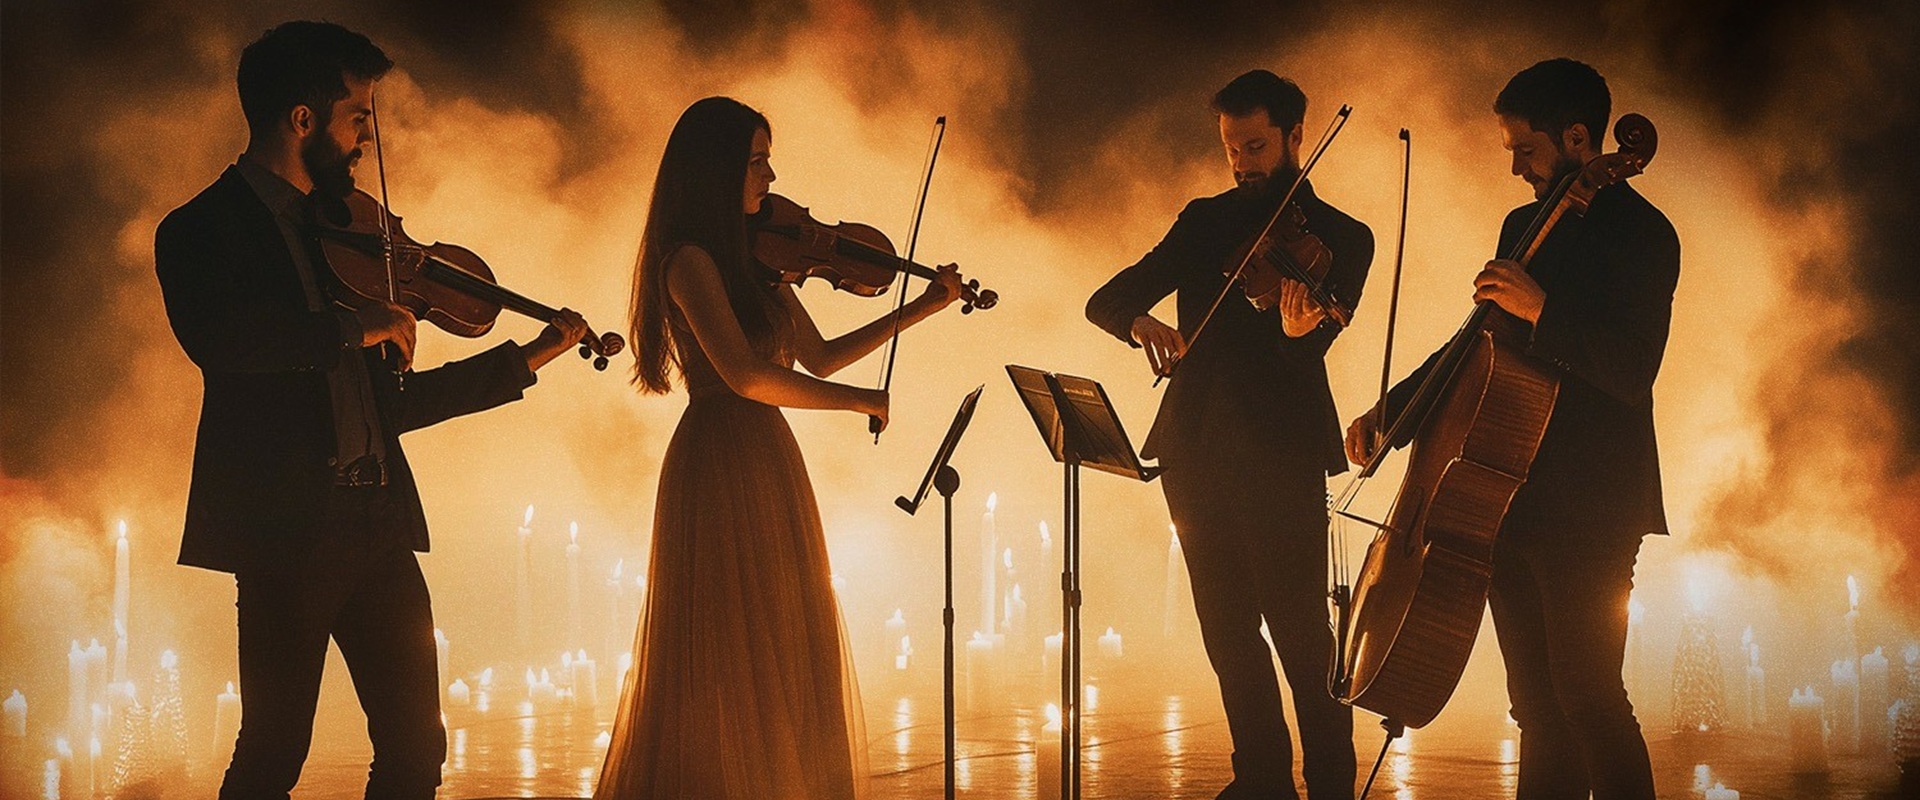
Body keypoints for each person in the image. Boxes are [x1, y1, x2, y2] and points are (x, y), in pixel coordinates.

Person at [152, 21, 590, 800]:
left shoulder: (353, 232)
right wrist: (358, 325)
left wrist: (523, 361)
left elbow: (393, 405)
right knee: (275, 751)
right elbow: (226, 345)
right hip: (286, 532)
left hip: (378, 524)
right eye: (358, 116)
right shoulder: (197, 231)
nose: (367, 138)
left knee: (417, 749)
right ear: (303, 120)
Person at [595, 96, 963, 799]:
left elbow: (818, 357)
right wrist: (860, 404)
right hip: (720, 457)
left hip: (767, 456)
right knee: (731, 646)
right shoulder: (690, 262)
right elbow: (745, 374)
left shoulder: (754, 259)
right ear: (717, 170)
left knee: (784, 632)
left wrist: (921, 307)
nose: (769, 177)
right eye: (757, 161)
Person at [1346, 58, 1677, 800]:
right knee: (1534, 709)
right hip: (1505, 493)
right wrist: (1391, 413)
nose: (1516, 169)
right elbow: (1477, 341)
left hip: (1593, 501)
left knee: (1589, 695)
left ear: (1579, 138)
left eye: (1525, 150)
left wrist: (1544, 312)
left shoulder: (1646, 235)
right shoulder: (1525, 225)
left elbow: (1632, 370)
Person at [1086, 70, 1371, 800]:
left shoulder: (1342, 239)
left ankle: (1332, 784)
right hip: (1195, 448)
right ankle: (1263, 780)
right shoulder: (1206, 220)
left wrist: (1291, 329)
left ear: (1295, 138)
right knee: (1228, 635)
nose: (1242, 163)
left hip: (1280, 452)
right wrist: (1139, 322)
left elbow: (1303, 357)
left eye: (1255, 145)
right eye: (1231, 149)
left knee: (1303, 635)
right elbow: (1108, 298)